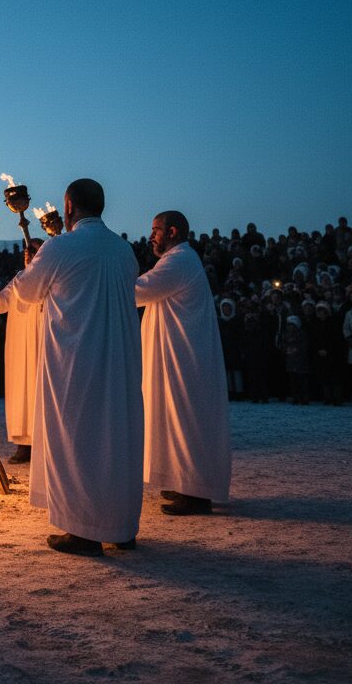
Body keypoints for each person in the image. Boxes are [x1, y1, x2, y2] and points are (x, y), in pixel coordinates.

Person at [14, 178, 143, 556]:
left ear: (68, 207)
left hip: (75, 361)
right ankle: (120, 527)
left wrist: (29, 268)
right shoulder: (123, 251)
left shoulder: (58, 247)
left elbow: (28, 291)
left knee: (77, 440)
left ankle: (83, 530)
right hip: (118, 360)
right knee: (116, 439)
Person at [135, 211, 231, 516]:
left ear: (173, 231)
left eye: (156, 230)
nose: (151, 236)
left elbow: (139, 290)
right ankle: (182, 483)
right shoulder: (177, 260)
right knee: (174, 421)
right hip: (178, 358)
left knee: (186, 422)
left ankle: (196, 492)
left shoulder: (179, 261)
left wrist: (98, 278)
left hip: (185, 360)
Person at [0, 239, 44, 464]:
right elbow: (1, 303)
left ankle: (43, 443)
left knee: (39, 391)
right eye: (27, 251)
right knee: (21, 392)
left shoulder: (49, 280)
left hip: (41, 342)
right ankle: (23, 444)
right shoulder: (19, 279)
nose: (28, 255)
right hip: (19, 344)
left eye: (34, 251)